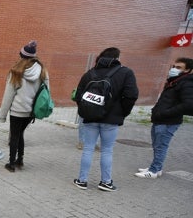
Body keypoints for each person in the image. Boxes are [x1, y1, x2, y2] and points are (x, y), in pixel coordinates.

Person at [73, 47, 139, 191]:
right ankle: (105, 182)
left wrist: (86, 110)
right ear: (117, 58)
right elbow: (131, 95)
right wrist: (121, 113)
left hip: (90, 118)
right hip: (111, 120)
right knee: (107, 150)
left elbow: (79, 95)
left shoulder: (90, 73)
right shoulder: (126, 73)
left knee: (88, 148)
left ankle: (82, 180)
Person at [135, 57, 193, 179]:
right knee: (157, 145)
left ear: (188, 70)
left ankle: (154, 171)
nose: (174, 69)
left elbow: (188, 104)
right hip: (160, 119)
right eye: (174, 66)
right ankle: (157, 167)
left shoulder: (187, 83)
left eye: (178, 67)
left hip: (168, 121)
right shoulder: (175, 81)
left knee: (161, 146)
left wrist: (166, 113)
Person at [0, 40, 49, 172]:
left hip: (17, 110)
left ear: (21, 55)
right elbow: (46, 91)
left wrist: (2, 115)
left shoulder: (16, 71)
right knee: (20, 134)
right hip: (31, 111)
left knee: (15, 136)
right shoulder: (43, 71)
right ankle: (20, 160)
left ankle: (11, 164)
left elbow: (8, 95)